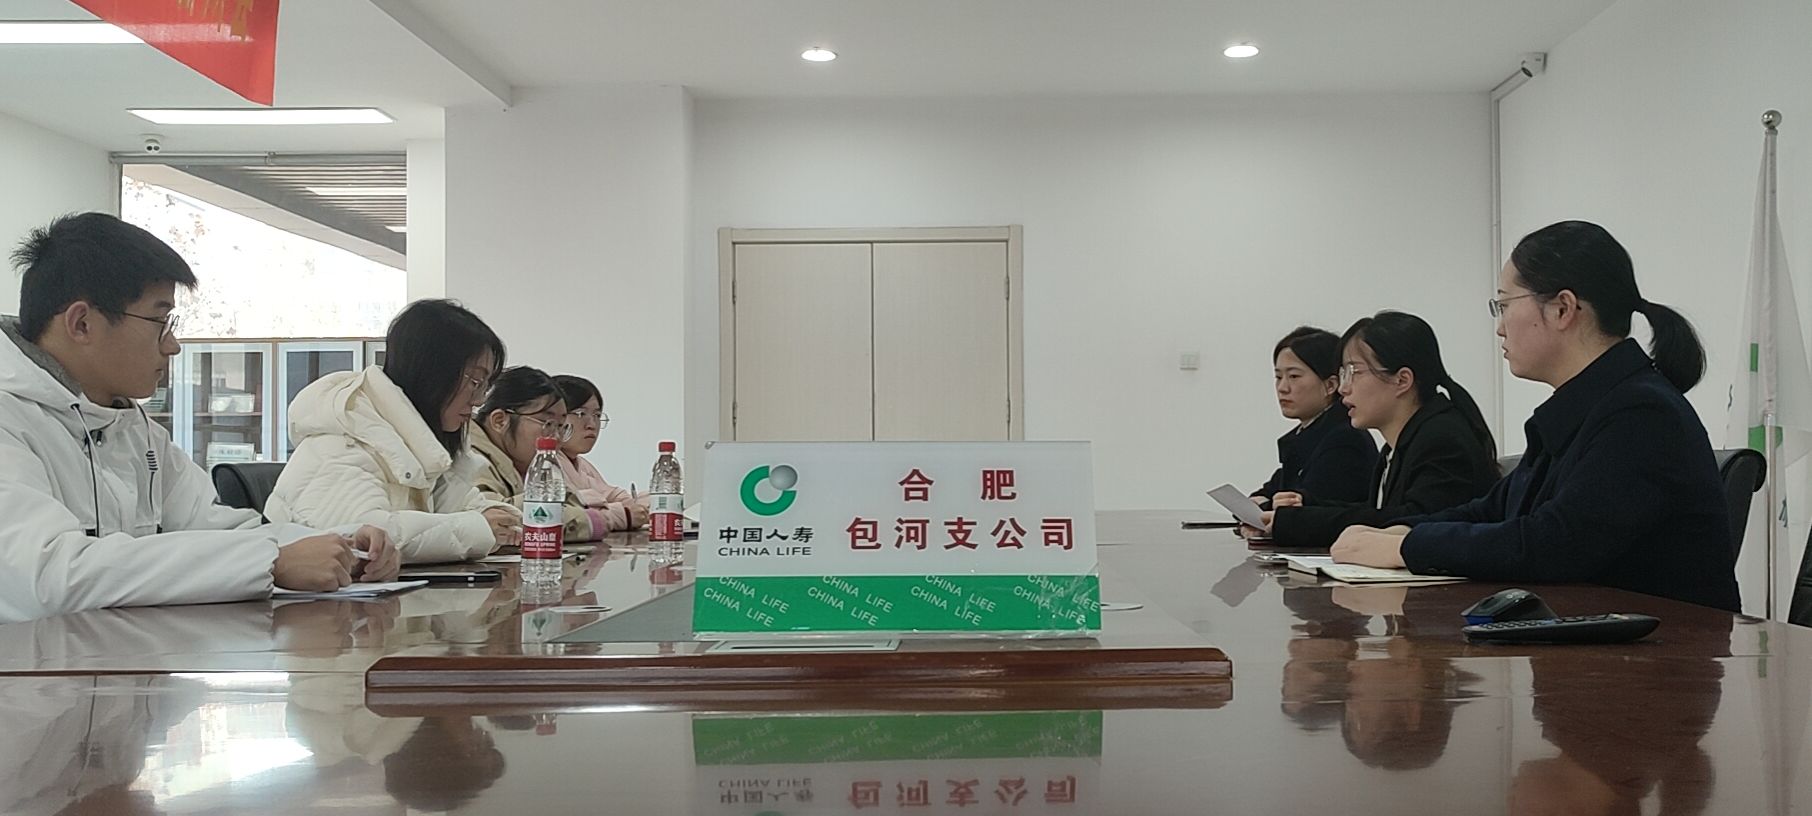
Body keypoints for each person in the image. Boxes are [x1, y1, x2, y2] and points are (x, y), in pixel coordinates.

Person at [0, 213, 395, 624]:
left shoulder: (134, 428)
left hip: (129, 654)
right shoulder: (11, 420)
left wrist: (341, 546)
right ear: (82, 324)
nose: (172, 345)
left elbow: (217, 529)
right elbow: (48, 577)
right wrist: (268, 562)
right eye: (159, 321)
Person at [1332, 221, 1740, 611]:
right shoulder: (1586, 407)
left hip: (1665, 650)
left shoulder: (1642, 414)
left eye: (1504, 305)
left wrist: (1404, 548)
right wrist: (1403, 530)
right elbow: (1492, 509)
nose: (1500, 328)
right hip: (1589, 640)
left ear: (1562, 309)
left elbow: (1555, 543)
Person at [266, 299, 523, 563]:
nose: (479, 400)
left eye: (485, 386)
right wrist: (479, 529)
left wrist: (502, 521)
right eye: (475, 382)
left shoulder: (420, 444)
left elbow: (463, 506)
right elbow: (367, 537)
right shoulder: (343, 440)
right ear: (431, 373)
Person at [1263, 311, 1499, 548]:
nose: (1343, 388)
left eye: (1354, 372)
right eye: (1343, 374)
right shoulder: (1397, 445)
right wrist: (1306, 506)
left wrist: (1300, 522)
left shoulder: (1442, 440)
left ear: (1402, 380)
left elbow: (1415, 521)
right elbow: (1378, 512)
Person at [1251, 326, 1378, 508]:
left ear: (1331, 385)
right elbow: (1269, 493)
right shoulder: (1305, 435)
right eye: (1278, 377)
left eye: (1294, 376)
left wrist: (1264, 506)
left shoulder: (1344, 440)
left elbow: (1306, 509)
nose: (1282, 388)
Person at [470, 366, 599, 542]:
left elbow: (567, 500)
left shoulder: (529, 462)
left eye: (561, 427)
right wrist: (590, 521)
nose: (556, 438)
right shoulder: (470, 458)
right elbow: (499, 518)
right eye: (548, 423)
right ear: (500, 421)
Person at [551, 374, 649, 533]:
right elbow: (574, 508)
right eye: (581, 414)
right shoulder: (546, 463)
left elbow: (615, 496)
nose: (591, 425)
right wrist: (623, 514)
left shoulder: (582, 465)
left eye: (597, 415)